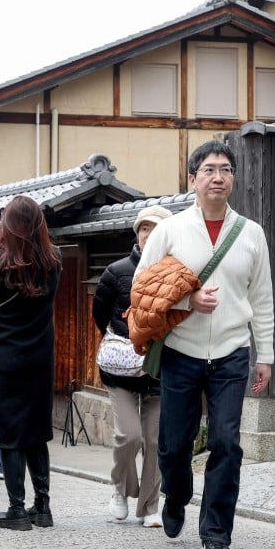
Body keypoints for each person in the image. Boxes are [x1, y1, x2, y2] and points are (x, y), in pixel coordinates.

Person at [133, 140, 274, 549]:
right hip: (181, 351)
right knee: (174, 445)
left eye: (226, 169)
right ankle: (176, 494)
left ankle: (216, 534)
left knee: (227, 443)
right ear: (192, 179)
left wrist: (265, 355)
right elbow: (140, 287)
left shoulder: (251, 233)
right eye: (209, 169)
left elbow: (262, 298)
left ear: (233, 179)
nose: (218, 177)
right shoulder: (171, 230)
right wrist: (186, 302)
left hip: (231, 352)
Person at [0, 196, 61, 530]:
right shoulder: (54, 260)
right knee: (35, 431)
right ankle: (43, 507)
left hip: (2, 359)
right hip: (39, 358)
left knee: (9, 433)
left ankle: (16, 509)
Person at [92, 205, 172, 528]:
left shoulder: (176, 272)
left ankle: (150, 506)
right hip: (121, 369)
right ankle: (120, 490)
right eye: (144, 228)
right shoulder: (116, 272)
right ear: (137, 233)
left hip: (159, 369)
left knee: (155, 441)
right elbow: (100, 314)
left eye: (156, 228)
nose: (149, 234)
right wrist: (124, 342)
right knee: (130, 436)